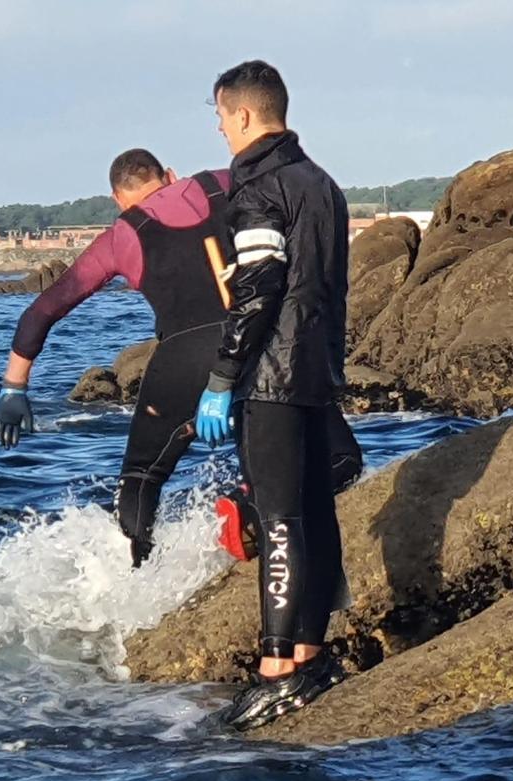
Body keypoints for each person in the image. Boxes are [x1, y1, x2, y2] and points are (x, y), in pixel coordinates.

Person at [0, 149, 362, 568]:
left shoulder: (121, 235)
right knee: (341, 459)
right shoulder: (224, 183)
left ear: (117, 199)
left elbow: (44, 310)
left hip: (184, 360)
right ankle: (249, 507)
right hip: (264, 342)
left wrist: (13, 387)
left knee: (142, 477)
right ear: (169, 175)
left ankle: (132, 575)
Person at [196, 60, 352, 731]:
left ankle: (277, 668)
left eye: (221, 119)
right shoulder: (323, 184)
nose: (222, 132)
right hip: (318, 371)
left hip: (273, 377)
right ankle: (312, 653)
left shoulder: (259, 189)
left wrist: (222, 380)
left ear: (245, 116)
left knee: (279, 515)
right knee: (317, 512)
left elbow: (257, 289)